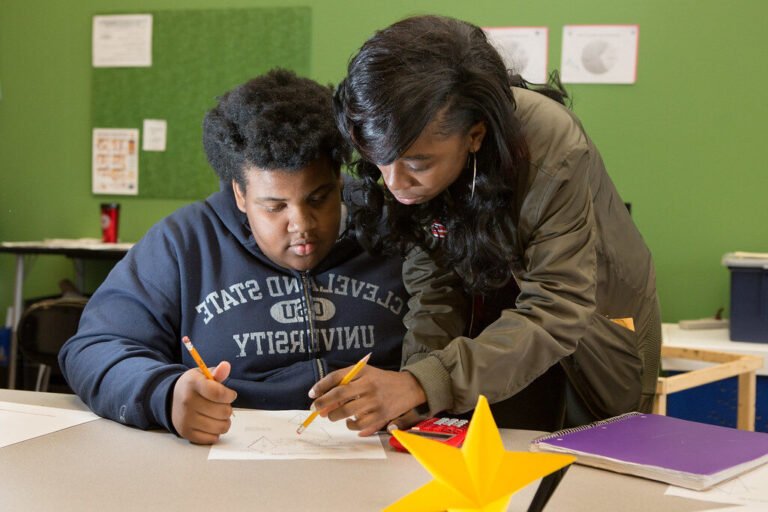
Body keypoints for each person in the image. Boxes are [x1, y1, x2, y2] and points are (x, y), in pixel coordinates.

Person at [309, 15, 661, 435]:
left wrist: (422, 383)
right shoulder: (402, 148)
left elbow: (557, 307)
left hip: (588, 345)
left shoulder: (551, 143)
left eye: (418, 165)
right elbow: (434, 290)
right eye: (379, 161)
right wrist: (414, 391)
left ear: (475, 136)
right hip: (495, 345)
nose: (395, 183)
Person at [59, 69, 409, 444]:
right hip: (228, 452)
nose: (301, 224)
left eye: (318, 198)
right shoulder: (184, 242)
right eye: (274, 206)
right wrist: (167, 394)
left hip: (379, 450)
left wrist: (414, 384)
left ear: (339, 179)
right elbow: (94, 347)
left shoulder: (393, 228)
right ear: (240, 194)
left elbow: (458, 346)